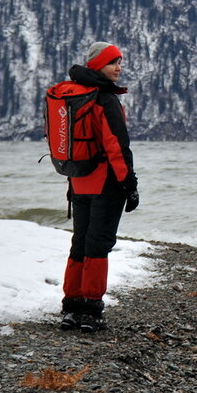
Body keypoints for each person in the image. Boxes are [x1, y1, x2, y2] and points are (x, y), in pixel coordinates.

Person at [59, 41, 140, 332]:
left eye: (119, 61)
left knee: (80, 242)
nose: (118, 67)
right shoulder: (104, 99)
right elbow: (116, 147)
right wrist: (129, 184)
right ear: (97, 66)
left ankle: (71, 307)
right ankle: (91, 310)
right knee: (98, 245)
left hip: (78, 181)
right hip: (106, 182)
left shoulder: (74, 94)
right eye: (112, 62)